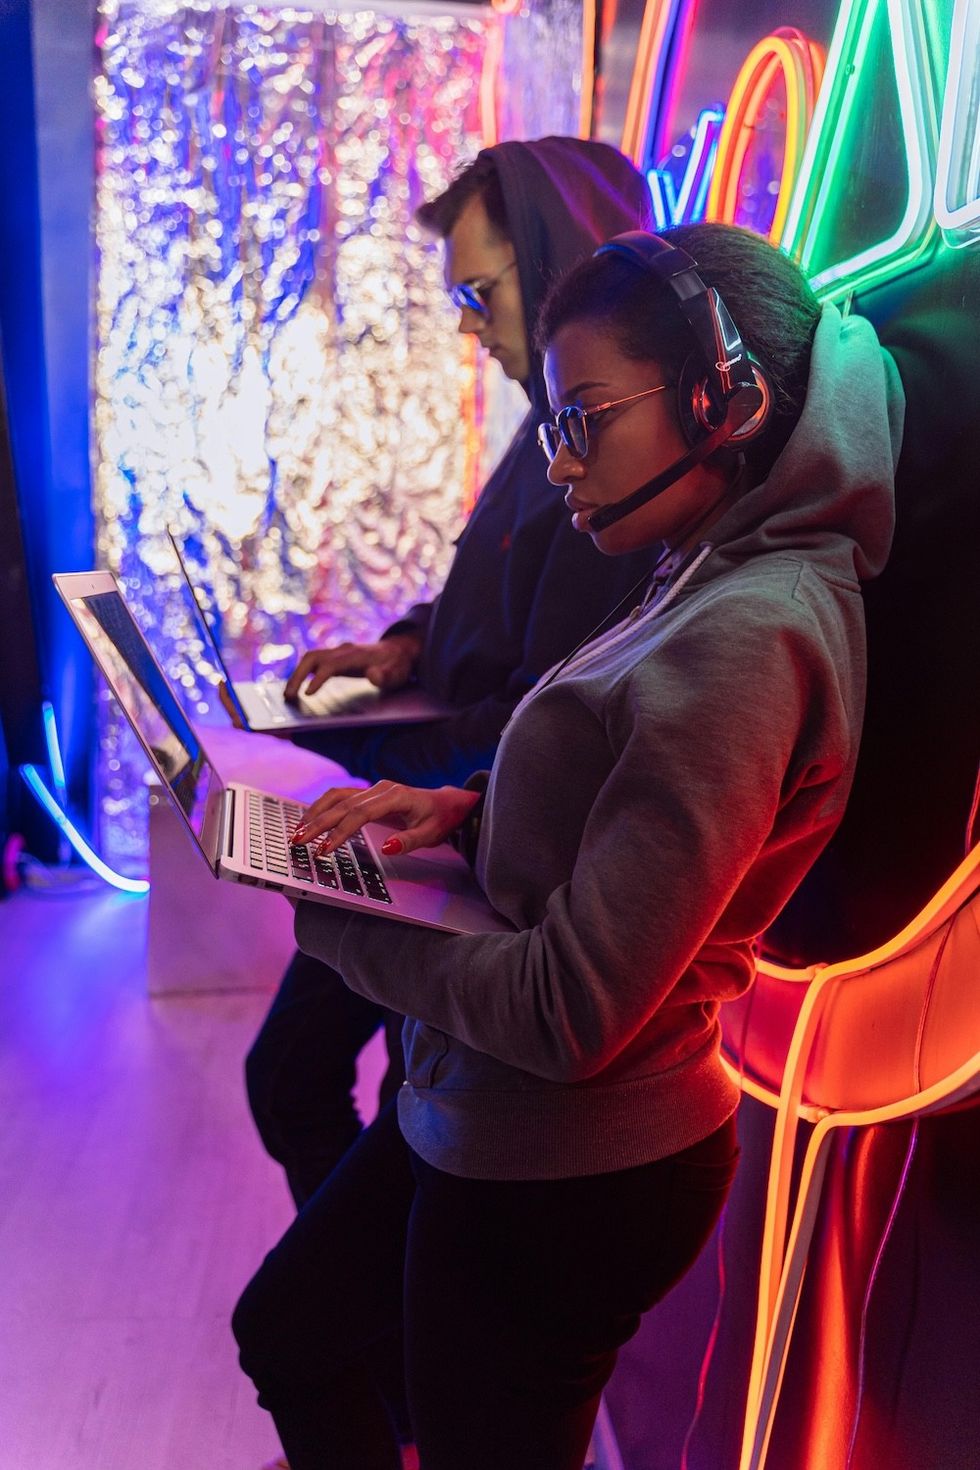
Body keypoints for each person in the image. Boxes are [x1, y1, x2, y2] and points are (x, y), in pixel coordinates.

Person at [232, 221, 901, 1470]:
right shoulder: (704, 567)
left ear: (723, 399)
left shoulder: (746, 634)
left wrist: (335, 915)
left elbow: (568, 1010)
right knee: (288, 1330)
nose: (561, 463)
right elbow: (623, 785)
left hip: (568, 1167)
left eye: (586, 420)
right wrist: (471, 808)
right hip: (493, 1119)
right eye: (555, 425)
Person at [244, 137, 660, 1212]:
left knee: (315, 1086)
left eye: (481, 294)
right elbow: (488, 592)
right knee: (324, 1088)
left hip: (463, 840)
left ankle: (367, 1298)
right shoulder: (544, 429)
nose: (468, 327)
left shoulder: (603, 466)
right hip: (434, 814)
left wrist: (334, 773)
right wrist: (403, 647)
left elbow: (536, 718)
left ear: (561, 263)